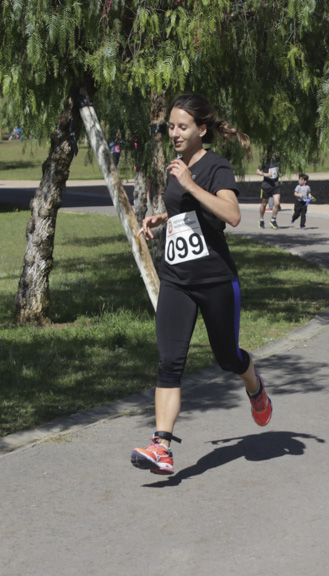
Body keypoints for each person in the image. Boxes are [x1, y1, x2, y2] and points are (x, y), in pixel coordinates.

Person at [132, 94, 273, 476]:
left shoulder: (216, 167)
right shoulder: (175, 167)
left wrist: (191, 184)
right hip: (177, 279)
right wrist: (163, 217)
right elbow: (186, 212)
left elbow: (231, 214)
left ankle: (254, 384)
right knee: (169, 363)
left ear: (201, 130)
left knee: (227, 357)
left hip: (214, 281)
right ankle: (161, 446)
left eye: (182, 127)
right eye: (171, 127)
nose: (174, 133)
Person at [257, 153, 281, 229]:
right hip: (266, 185)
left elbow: (279, 171)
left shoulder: (278, 162)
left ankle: (273, 220)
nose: (274, 154)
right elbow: (257, 171)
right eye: (273, 153)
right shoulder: (265, 162)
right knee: (264, 203)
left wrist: (279, 174)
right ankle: (261, 220)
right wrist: (266, 174)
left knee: (277, 203)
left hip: (275, 185)